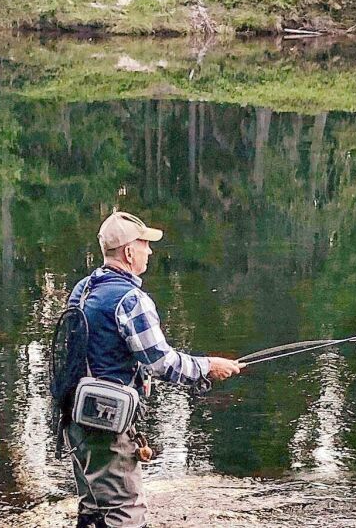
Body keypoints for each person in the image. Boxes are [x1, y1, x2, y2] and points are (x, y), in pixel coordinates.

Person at [64, 211, 242, 528]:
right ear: (129, 252)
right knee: (124, 512)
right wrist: (207, 367)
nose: (150, 251)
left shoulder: (82, 289)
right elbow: (161, 362)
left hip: (75, 416)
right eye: (145, 244)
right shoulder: (131, 300)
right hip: (107, 423)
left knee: (93, 505)